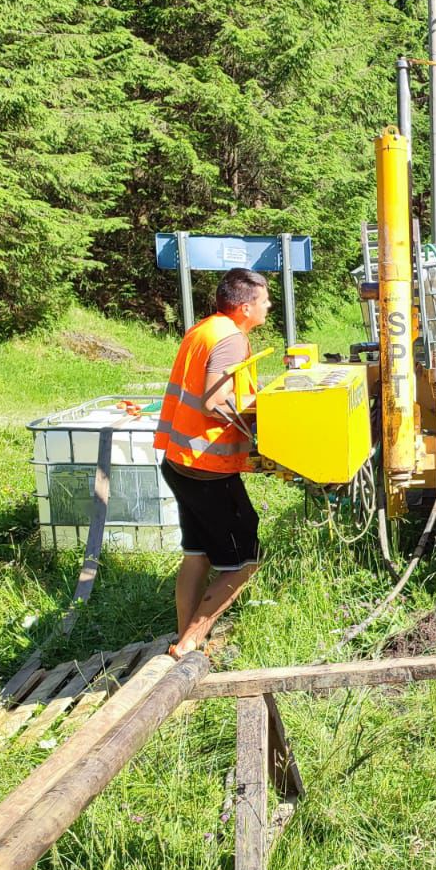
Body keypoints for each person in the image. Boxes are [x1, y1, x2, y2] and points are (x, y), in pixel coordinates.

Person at [154, 268, 272, 657]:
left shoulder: (204, 329)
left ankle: (182, 636)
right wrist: (261, 424)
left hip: (178, 460)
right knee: (247, 558)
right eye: (264, 299)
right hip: (207, 465)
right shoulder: (231, 339)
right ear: (244, 307)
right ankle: (192, 641)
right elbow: (214, 400)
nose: (268, 305)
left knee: (198, 553)